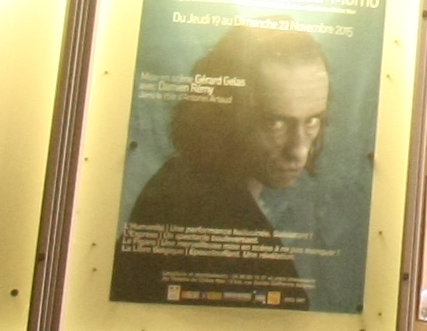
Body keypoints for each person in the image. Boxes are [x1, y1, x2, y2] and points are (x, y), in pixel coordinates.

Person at [108, 24, 337, 306]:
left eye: (312, 120)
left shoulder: (178, 181)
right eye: (276, 123)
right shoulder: (191, 205)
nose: (298, 150)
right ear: (226, 115)